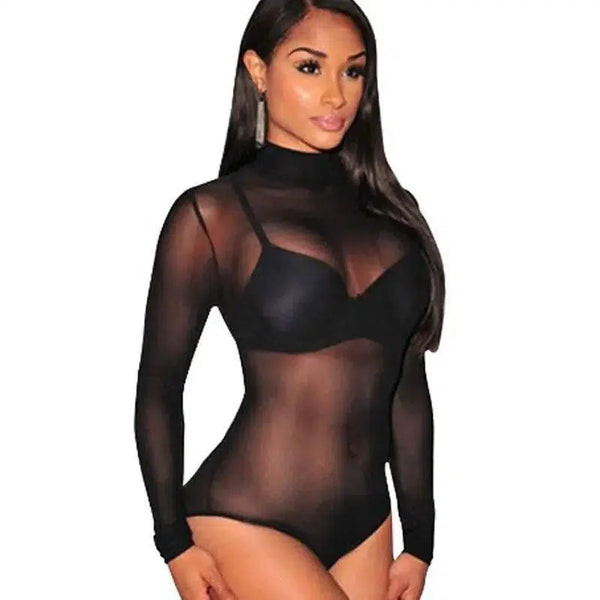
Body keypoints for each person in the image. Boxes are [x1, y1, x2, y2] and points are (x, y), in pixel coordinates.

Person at [134, 1, 445, 599]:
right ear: (258, 70)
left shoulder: (392, 216)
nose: (335, 94)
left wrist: (420, 541)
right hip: (247, 515)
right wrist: (173, 541)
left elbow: (406, 388)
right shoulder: (212, 216)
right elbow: (160, 385)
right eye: (309, 67)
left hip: (367, 527)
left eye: (353, 71)